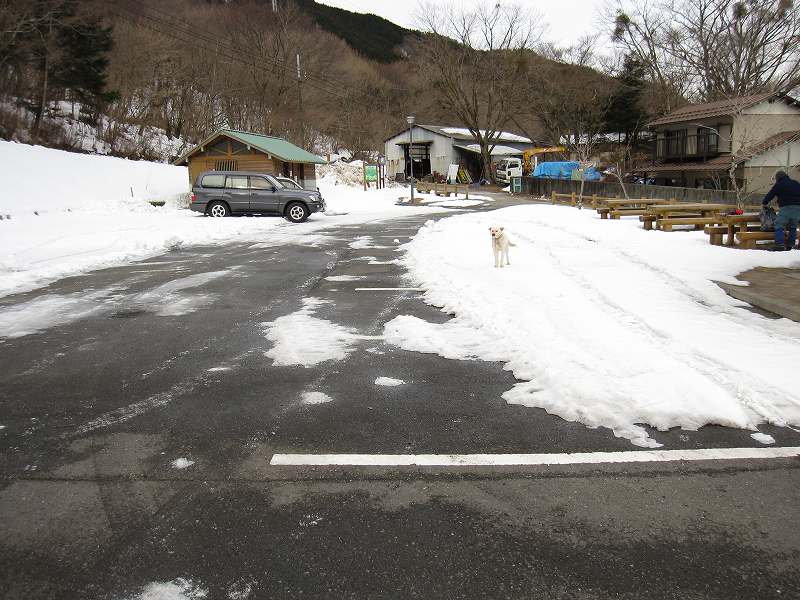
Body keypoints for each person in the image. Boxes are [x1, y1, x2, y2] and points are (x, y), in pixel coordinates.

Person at [762, 170, 800, 251]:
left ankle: (779, 245)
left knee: (779, 225)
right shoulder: (795, 183)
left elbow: (771, 194)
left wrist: (764, 202)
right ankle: (791, 245)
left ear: (778, 178)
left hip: (786, 207)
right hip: (798, 208)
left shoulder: (779, 184)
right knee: (793, 227)